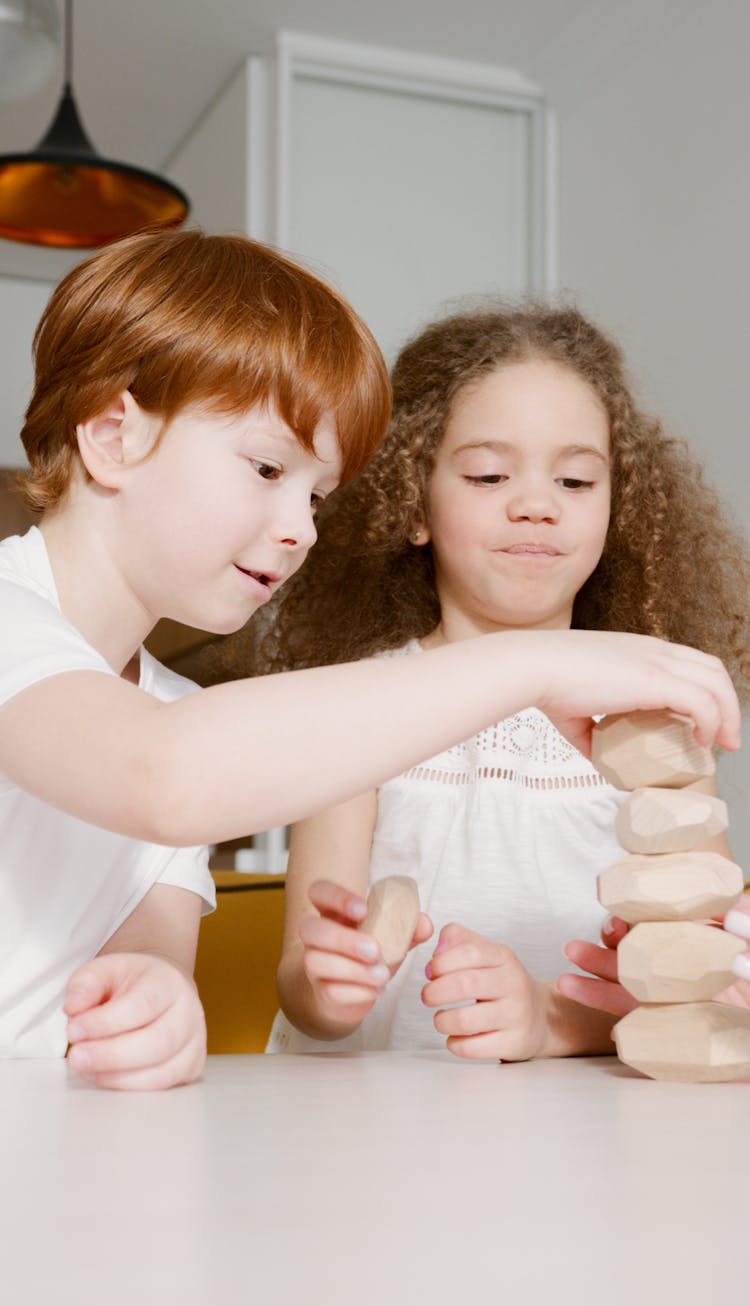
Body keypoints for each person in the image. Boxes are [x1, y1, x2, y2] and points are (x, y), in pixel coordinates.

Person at [0, 238, 739, 1089]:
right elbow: (162, 774)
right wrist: (537, 663)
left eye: (315, 495)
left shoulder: (177, 707)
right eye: (268, 467)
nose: (303, 529)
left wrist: (159, 1012)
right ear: (112, 436)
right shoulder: (53, 651)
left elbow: (150, 968)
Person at [256, 303, 750, 1058]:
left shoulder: (656, 722)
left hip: (586, 1141)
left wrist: (549, 1018)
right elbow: (305, 986)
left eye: (577, 480)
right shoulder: (358, 704)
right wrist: (332, 983)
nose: (537, 503)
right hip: (375, 1138)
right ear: (413, 503)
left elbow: (700, 993)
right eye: (489, 473)